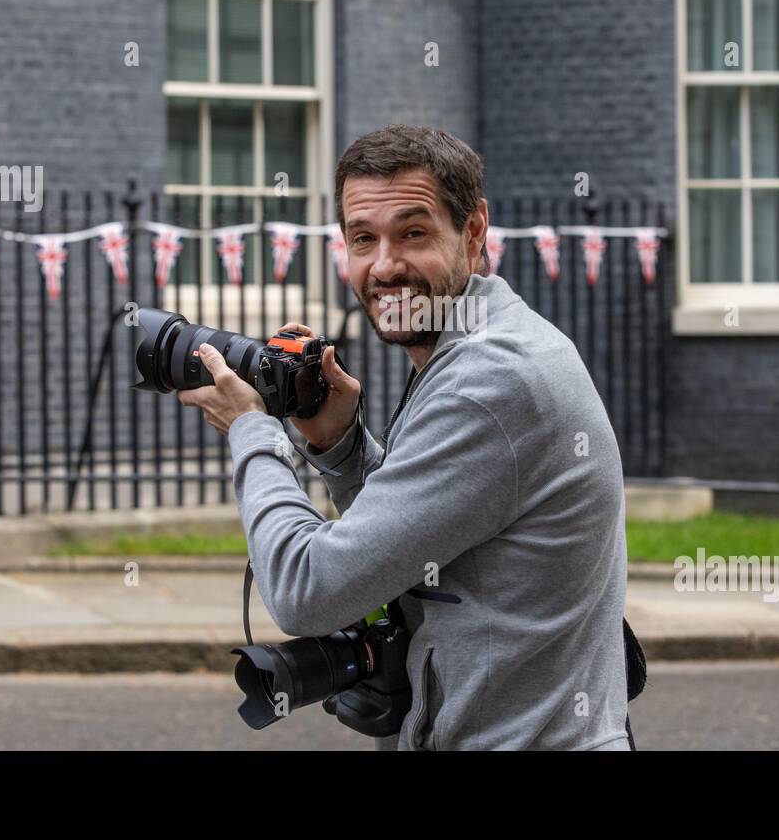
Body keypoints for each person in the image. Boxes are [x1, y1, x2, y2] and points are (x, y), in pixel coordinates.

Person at [178, 123, 630, 750]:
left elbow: (309, 590)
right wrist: (340, 445)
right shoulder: (484, 345)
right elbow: (416, 542)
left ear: (473, 232)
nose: (384, 266)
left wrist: (252, 430)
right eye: (363, 239)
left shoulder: (489, 381)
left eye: (413, 233)